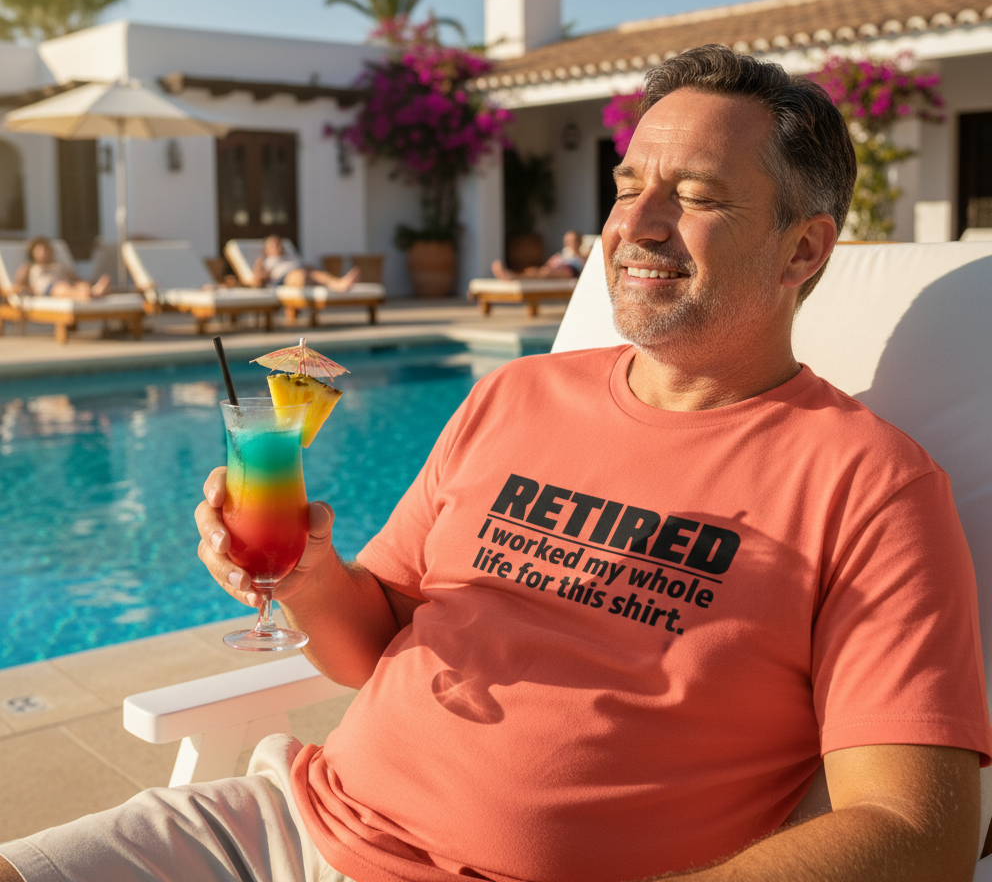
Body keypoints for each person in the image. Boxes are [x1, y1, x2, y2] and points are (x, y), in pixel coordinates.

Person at [3, 44, 990, 882]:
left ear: (801, 251)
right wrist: (305, 577)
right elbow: (367, 645)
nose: (632, 226)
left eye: (691, 196)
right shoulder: (513, 395)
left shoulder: (867, 486)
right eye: (627, 186)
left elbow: (920, 827)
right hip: (289, 828)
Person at [12, 237, 111, 301]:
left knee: (80, 285)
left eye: (45, 249)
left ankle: (92, 292)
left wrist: (86, 283)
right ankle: (86, 295)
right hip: (47, 288)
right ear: (33, 253)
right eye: (39, 250)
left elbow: (75, 278)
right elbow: (18, 285)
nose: (43, 253)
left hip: (67, 283)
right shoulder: (29, 267)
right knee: (62, 287)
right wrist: (27, 290)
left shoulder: (58, 265)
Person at [251, 235, 359, 292]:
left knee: (318, 275)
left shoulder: (291, 257)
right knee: (301, 275)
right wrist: (258, 265)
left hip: (304, 273)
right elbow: (259, 278)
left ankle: (340, 284)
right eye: (272, 245)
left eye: (278, 244)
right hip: (284, 278)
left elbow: (308, 267)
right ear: (266, 249)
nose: (276, 247)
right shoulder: (267, 261)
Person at [491, 229, 587, 279]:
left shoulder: (584, 255)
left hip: (568, 272)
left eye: (572, 241)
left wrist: (578, 255)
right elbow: (547, 265)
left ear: (579, 242)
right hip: (554, 269)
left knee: (546, 273)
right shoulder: (561, 254)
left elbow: (584, 270)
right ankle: (513, 275)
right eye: (567, 241)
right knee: (534, 271)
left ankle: (513, 277)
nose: (569, 244)